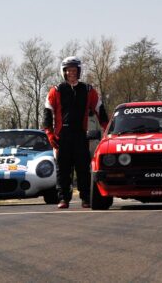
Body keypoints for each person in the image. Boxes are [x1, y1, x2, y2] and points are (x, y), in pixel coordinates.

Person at [43, 56, 109, 209]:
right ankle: (63, 199)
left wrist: (107, 128)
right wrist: (50, 134)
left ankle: (85, 198)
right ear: (63, 72)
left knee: (83, 168)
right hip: (62, 136)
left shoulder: (88, 90)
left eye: (74, 70)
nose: (71, 73)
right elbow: (47, 113)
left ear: (79, 71)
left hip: (80, 134)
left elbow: (100, 110)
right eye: (68, 71)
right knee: (63, 170)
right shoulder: (56, 90)